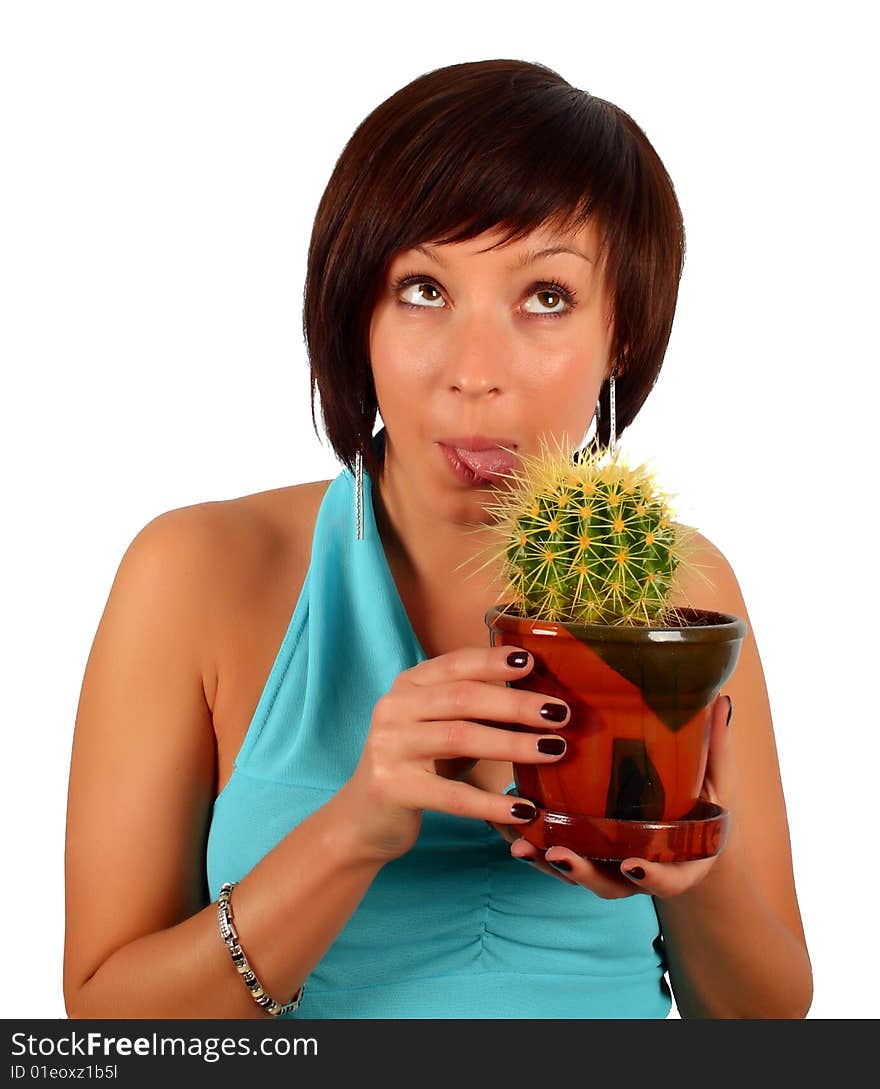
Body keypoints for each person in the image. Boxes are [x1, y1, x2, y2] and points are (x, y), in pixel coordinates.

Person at [63, 58, 812, 1019]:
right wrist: (353, 829)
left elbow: (769, 1022)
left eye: (546, 296)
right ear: (356, 314)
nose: (476, 372)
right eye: (423, 289)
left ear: (623, 331)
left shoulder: (681, 580)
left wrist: (690, 862)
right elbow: (99, 1025)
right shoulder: (197, 573)